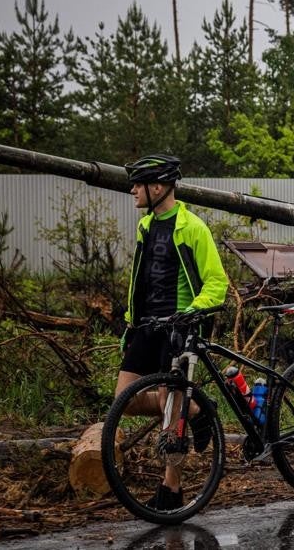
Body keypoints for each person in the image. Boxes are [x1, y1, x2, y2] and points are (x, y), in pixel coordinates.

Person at [118, 154, 229, 510]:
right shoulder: (146, 226)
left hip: (177, 331)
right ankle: (198, 410)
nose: (133, 190)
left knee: (170, 411)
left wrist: (191, 312)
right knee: (126, 399)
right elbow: (142, 277)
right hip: (146, 328)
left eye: (138, 184)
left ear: (157, 187)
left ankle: (172, 490)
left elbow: (216, 282)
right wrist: (131, 320)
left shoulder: (192, 227)